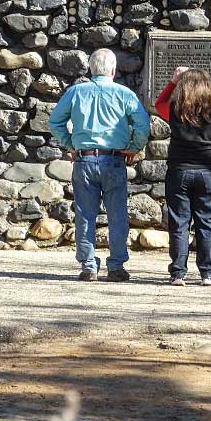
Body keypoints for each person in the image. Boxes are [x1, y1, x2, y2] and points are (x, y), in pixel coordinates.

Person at [49, 48, 150, 283]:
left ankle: (88, 266)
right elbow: (143, 126)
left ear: (90, 69)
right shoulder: (124, 94)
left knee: (85, 215)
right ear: (113, 70)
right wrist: (133, 148)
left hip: (84, 159)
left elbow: (55, 122)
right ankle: (115, 266)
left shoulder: (75, 92)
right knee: (117, 215)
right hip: (114, 159)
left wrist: (70, 145)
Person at [155, 66, 211, 287]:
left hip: (179, 171)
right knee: (206, 222)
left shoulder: (174, 110)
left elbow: (158, 104)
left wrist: (172, 81)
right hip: (208, 171)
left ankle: (178, 273)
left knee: (179, 223)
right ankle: (208, 273)